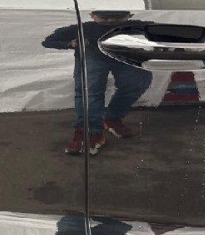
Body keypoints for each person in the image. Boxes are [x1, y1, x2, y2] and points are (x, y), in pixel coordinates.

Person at [42, 11, 152, 155]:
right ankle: (89, 132)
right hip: (92, 54)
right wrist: (69, 43)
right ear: (92, 16)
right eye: (104, 17)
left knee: (138, 82)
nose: (110, 20)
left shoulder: (138, 26)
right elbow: (48, 41)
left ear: (129, 16)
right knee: (89, 91)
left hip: (125, 55)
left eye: (117, 17)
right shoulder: (83, 28)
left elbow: (164, 33)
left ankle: (112, 118)